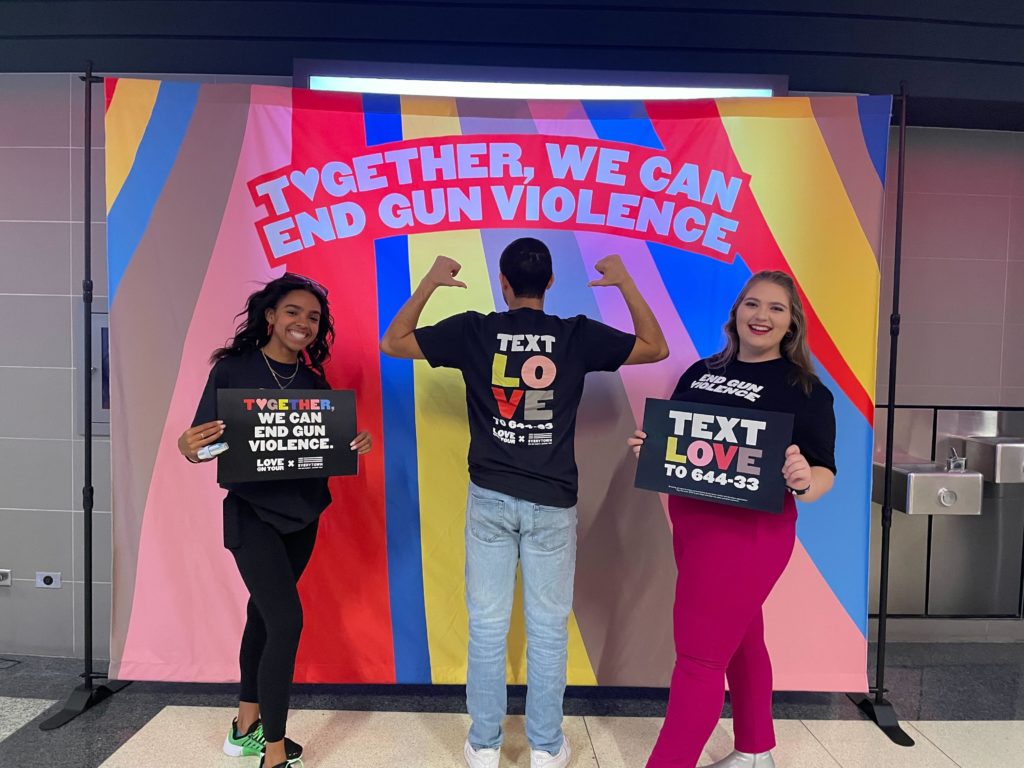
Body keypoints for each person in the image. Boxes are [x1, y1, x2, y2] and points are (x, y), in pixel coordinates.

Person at [380, 237, 669, 768]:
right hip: (553, 502)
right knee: (548, 629)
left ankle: (484, 744)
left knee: (487, 627)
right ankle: (546, 746)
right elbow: (655, 347)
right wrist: (625, 282)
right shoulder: (576, 334)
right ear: (551, 282)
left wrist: (430, 282)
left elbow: (393, 342)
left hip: (490, 498)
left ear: (503, 282)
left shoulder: (474, 330)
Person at [628, 270, 837, 768]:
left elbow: (824, 473)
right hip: (693, 528)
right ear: (736, 312)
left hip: (748, 537)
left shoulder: (806, 390)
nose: (761, 316)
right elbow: (675, 443)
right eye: (752, 304)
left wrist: (803, 479)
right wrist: (650, 448)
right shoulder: (699, 372)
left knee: (698, 659)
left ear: (792, 323)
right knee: (743, 638)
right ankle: (756, 750)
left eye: (776, 308)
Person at [177, 273, 372, 768]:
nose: (304, 322)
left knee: (262, 616)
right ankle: (275, 752)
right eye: (293, 311)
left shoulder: (313, 384)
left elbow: (322, 449)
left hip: (302, 516)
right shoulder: (232, 370)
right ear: (270, 315)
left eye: (313, 317)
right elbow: (204, 445)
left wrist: (352, 443)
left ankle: (245, 727)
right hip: (251, 515)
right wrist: (189, 447)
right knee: (287, 620)